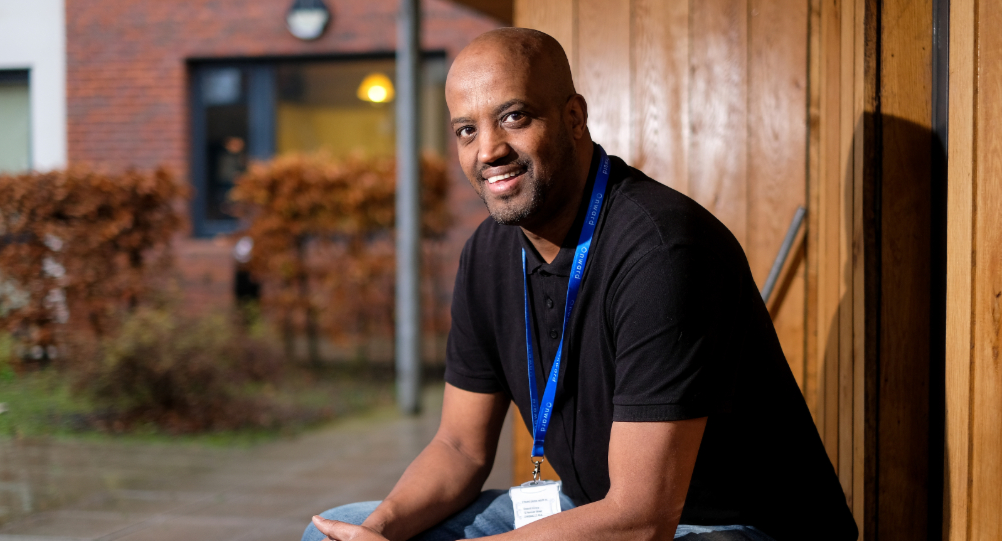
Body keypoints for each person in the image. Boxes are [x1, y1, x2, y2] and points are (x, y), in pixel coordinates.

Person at [302, 28, 858, 541]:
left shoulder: (664, 250)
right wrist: (379, 532)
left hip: (727, 528)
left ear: (573, 117)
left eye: (514, 117)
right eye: (466, 130)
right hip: (592, 505)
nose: (488, 150)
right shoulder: (489, 252)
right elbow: (459, 447)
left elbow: (643, 518)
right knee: (333, 533)